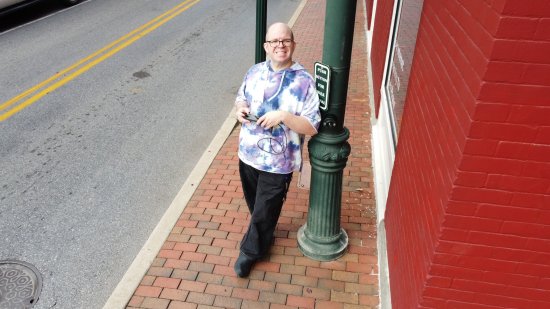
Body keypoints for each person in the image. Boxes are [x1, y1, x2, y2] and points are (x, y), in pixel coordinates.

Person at [233, 22, 321, 277]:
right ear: (266, 46)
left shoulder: (304, 81)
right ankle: (263, 232)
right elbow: (241, 98)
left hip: (279, 162)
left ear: (293, 44)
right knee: (256, 205)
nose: (280, 45)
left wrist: (283, 116)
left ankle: (250, 252)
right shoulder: (254, 72)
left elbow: (312, 126)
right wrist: (239, 109)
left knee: (264, 208)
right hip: (248, 154)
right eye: (274, 41)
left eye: (285, 40)